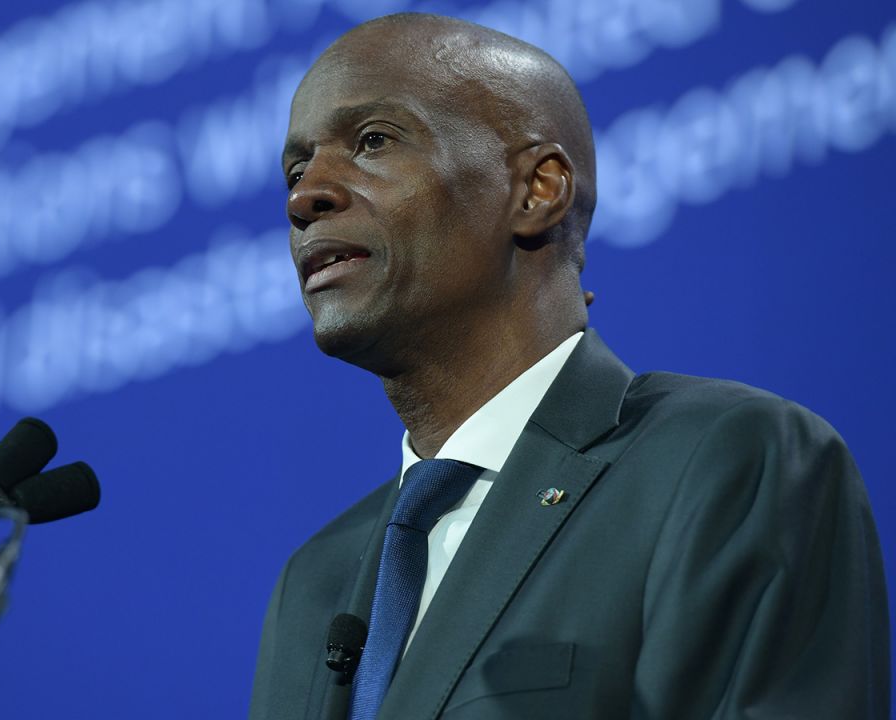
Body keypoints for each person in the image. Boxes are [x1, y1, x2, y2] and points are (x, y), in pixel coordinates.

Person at [249, 12, 889, 720]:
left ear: (537, 190)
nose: (305, 198)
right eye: (297, 168)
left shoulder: (725, 463)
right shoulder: (315, 584)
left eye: (372, 141)